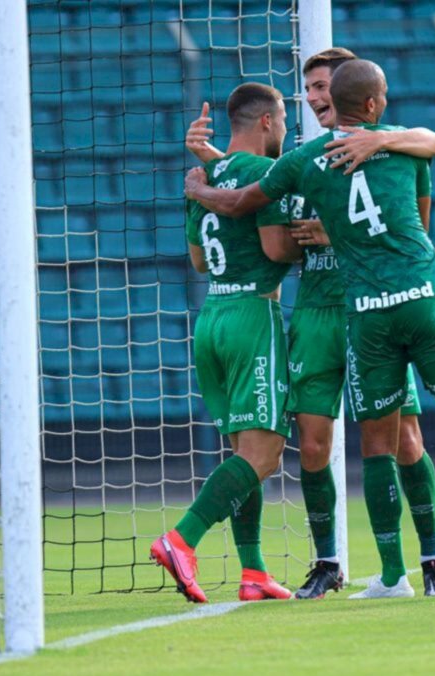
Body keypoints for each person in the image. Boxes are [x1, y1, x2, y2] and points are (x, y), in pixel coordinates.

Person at [184, 60, 435, 599]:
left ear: (343, 95)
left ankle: (431, 561)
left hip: (366, 306)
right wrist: (219, 166)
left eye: (323, 86)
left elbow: (428, 157)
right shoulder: (300, 162)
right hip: (321, 312)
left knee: (404, 439)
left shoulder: (385, 145)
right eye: (308, 89)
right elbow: (252, 193)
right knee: (315, 444)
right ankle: (330, 563)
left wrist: (337, 228)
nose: (315, 97)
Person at [150, 83, 303, 603]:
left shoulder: (201, 178)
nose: (285, 126)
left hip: (211, 314)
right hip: (252, 315)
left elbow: (197, 260)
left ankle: (254, 571)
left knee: (242, 451)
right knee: (263, 454)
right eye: (283, 116)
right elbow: (272, 246)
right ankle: (180, 540)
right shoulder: (264, 176)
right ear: (266, 121)